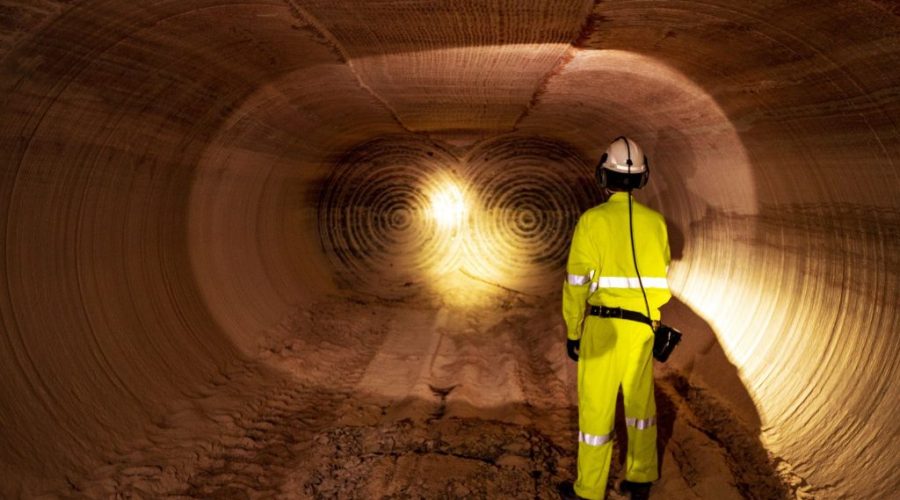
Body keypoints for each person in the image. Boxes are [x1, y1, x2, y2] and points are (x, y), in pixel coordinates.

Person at [558, 137, 672, 500]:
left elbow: (577, 283)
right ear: (641, 179)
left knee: (597, 410)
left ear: (603, 176)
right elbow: (662, 271)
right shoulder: (656, 223)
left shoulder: (592, 222)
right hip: (642, 328)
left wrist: (574, 331)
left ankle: (589, 491)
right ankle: (640, 478)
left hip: (603, 328)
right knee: (641, 407)